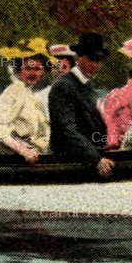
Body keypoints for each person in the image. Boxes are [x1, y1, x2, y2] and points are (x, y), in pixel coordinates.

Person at [47, 32, 114, 177]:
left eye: (99, 60)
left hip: (90, 154)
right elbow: (67, 130)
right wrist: (96, 159)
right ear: (79, 58)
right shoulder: (63, 86)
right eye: (91, 59)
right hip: (70, 162)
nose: (96, 65)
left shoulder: (87, 84)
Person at [0, 38, 52, 162]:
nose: (33, 73)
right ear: (19, 69)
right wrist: (22, 150)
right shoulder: (13, 91)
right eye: (29, 69)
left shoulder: (32, 97)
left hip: (32, 155)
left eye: (38, 69)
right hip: (10, 156)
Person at [37, 42, 75, 108]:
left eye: (64, 67)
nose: (60, 70)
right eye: (56, 67)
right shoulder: (39, 98)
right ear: (51, 70)